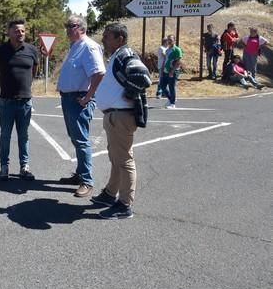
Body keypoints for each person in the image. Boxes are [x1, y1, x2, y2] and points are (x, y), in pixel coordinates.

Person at [91, 23, 151, 219]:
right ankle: (110, 194)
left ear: (120, 39)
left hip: (120, 116)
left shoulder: (126, 54)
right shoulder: (118, 56)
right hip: (114, 115)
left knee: (124, 160)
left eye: (107, 36)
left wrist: (131, 91)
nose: (103, 40)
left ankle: (125, 205)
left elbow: (143, 77)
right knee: (117, 158)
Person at [57, 15, 105, 198]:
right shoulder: (75, 46)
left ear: (82, 28)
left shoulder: (89, 46)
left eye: (71, 26)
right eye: (66, 26)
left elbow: (99, 74)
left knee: (81, 139)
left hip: (78, 99)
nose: (67, 29)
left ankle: (87, 180)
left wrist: (87, 97)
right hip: (69, 99)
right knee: (75, 137)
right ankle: (80, 174)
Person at [0, 19, 39, 181]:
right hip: (6, 101)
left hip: (25, 101)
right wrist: (4, 87)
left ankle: (24, 167)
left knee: (23, 135)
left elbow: (33, 71)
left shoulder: (32, 50)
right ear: (9, 32)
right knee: (5, 135)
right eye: (17, 31)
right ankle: (4, 167)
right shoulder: (0, 50)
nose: (20, 33)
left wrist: (24, 87)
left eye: (23, 31)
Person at [163, 35, 182, 109]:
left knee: (171, 86)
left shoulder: (177, 49)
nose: (169, 41)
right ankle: (170, 98)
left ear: (174, 40)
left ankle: (172, 103)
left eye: (170, 39)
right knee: (162, 86)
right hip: (166, 70)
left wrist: (172, 71)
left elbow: (178, 62)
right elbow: (166, 60)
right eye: (168, 40)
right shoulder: (167, 50)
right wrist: (162, 70)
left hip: (173, 71)